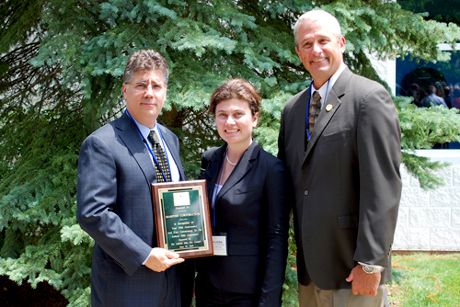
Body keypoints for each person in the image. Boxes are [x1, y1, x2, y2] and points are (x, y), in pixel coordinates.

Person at [278, 9, 402, 307]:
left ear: (342, 43)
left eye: (324, 41)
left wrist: (370, 262)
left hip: (353, 269)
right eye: (307, 44)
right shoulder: (292, 110)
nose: (316, 50)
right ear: (298, 52)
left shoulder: (369, 99)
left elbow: (383, 187)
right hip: (310, 272)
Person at [77, 49, 191, 306]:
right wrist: (145, 254)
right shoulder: (102, 143)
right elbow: (93, 213)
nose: (149, 92)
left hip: (173, 281)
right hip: (127, 285)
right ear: (125, 90)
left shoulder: (169, 140)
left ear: (165, 92)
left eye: (156, 85)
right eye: (141, 85)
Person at [195, 79, 290, 306]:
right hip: (208, 286)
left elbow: (276, 239)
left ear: (254, 118)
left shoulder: (271, 169)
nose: (229, 122)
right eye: (222, 114)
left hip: (247, 291)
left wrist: (268, 301)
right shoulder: (210, 160)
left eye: (238, 114)